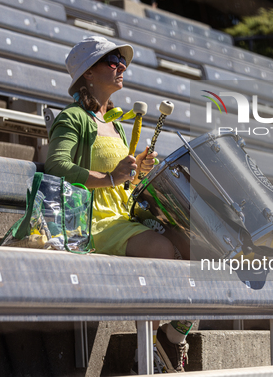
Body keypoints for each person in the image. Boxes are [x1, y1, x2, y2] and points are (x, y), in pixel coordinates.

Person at [45, 36, 191, 372]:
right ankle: (147, 348)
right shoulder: (72, 119)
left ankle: (175, 333)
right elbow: (56, 166)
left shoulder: (115, 123)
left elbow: (124, 184)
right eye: (111, 61)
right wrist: (110, 178)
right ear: (89, 74)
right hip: (92, 222)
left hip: (122, 217)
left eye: (120, 61)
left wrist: (136, 172)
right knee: (159, 249)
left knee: (199, 246)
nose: (120, 66)